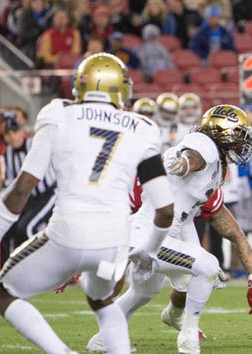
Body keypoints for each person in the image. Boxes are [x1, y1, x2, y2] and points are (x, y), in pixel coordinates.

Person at [0, 53, 174, 353]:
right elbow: (166, 208)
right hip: (114, 242)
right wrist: (147, 250)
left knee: (4, 293)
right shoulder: (142, 127)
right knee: (101, 300)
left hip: (66, 235)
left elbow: (24, 186)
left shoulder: (58, 113)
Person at [86, 104, 252, 354]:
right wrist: (180, 163)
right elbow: (190, 158)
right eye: (238, 135)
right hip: (151, 233)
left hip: (155, 232)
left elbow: (219, 228)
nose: (241, 143)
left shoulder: (215, 171)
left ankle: (103, 339)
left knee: (144, 291)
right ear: (221, 130)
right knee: (208, 266)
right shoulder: (204, 145)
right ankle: (188, 337)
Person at [0, 117, 56, 267]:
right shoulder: (8, 154)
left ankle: (41, 266)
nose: (12, 137)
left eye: (14, 132)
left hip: (49, 194)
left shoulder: (33, 144)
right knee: (7, 231)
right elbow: (10, 182)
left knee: (27, 228)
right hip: (28, 199)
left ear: (21, 132)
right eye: (8, 134)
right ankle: (7, 270)